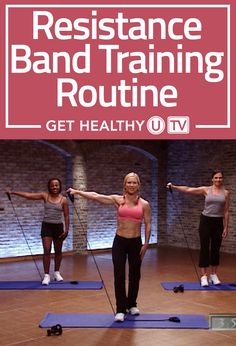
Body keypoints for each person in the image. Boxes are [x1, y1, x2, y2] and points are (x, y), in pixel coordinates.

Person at [67, 172, 151, 322]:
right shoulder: (118, 200)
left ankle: (132, 304)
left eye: (134, 183)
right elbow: (96, 196)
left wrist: (146, 244)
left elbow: (148, 223)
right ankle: (120, 309)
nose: (131, 185)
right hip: (119, 242)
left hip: (135, 243)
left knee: (134, 275)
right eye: (129, 182)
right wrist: (77, 192)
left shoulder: (144, 204)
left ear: (139, 185)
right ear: (124, 185)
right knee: (119, 275)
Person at [167, 169, 230, 287]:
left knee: (216, 249)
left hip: (218, 222)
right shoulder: (206, 190)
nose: (218, 180)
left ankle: (214, 275)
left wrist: (226, 227)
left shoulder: (225, 193)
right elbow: (189, 189)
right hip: (206, 221)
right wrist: (174, 187)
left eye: (220, 178)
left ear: (222, 179)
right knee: (204, 247)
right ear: (212, 179)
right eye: (216, 177)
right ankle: (204, 276)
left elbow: (226, 212)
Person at [8, 178, 69, 285]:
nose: (54, 187)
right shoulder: (45, 196)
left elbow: (66, 215)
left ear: (59, 186)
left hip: (58, 227)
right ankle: (46, 275)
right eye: (52, 185)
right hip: (47, 226)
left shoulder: (63, 200)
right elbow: (29, 195)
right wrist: (13, 192)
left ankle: (56, 272)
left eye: (56, 185)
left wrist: (67, 229)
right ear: (49, 187)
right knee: (46, 249)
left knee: (58, 251)